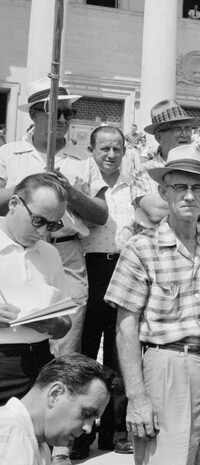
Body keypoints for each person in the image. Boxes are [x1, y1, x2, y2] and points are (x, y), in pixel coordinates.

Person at [104, 145, 200, 465]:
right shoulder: (141, 248)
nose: (189, 196)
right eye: (180, 187)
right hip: (166, 366)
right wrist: (136, 397)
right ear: (164, 192)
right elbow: (125, 327)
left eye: (198, 188)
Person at [0, 78, 108, 360]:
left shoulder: (83, 160)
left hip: (65, 252)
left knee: (65, 339)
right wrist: (29, 186)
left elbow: (100, 214)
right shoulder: (8, 154)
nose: (62, 119)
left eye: (68, 113)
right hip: (14, 252)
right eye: (54, 111)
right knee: (12, 333)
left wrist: (70, 192)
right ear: (34, 114)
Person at [71, 126, 135, 458]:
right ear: (92, 150)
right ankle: (81, 434)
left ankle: (115, 431)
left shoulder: (133, 187)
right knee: (85, 353)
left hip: (123, 270)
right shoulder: (81, 186)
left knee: (119, 352)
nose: (111, 155)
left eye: (117, 149)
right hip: (90, 269)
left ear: (125, 151)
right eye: (104, 149)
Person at [0, 173, 72, 402]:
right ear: (14, 204)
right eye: (38, 220)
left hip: (39, 365)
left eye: (53, 225)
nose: (43, 232)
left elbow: (65, 324)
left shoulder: (49, 253)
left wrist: (53, 323)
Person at [0, 354, 117, 465]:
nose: (88, 429)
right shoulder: (12, 433)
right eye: (86, 414)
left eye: (94, 420)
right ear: (55, 394)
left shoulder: (35, 441)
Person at [130, 99, 197, 229]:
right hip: (157, 246)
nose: (185, 134)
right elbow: (156, 211)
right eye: (177, 129)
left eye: (188, 128)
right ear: (159, 137)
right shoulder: (145, 170)